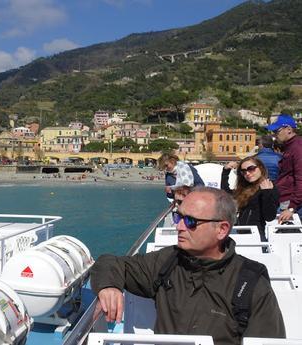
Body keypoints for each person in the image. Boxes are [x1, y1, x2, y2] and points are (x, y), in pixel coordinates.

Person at [91, 187, 285, 345]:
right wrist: (109, 286)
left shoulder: (250, 283)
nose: (179, 226)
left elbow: (267, 341)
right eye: (178, 217)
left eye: (191, 221)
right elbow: (111, 263)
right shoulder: (168, 261)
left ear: (222, 229)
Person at [221, 157, 279, 241]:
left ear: (261, 168)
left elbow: (269, 216)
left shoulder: (268, 186)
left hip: (257, 236)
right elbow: (225, 194)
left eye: (251, 169)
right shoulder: (245, 188)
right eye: (243, 171)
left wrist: (266, 193)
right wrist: (225, 172)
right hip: (240, 234)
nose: (247, 173)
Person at [265, 114, 302, 222]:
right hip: (287, 200)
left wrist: (292, 207)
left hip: (290, 203)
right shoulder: (291, 146)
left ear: (289, 129)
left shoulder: (297, 148)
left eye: (277, 131)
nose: (274, 134)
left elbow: (300, 179)